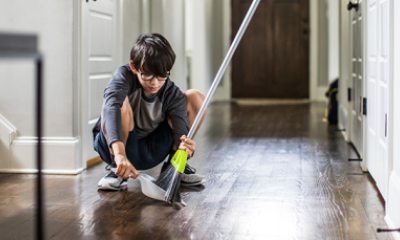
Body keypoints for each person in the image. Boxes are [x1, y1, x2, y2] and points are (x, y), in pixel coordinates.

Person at [94, 33, 205, 191]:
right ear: (134, 67)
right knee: (119, 102)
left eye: (161, 76)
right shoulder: (123, 76)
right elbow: (111, 107)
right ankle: (117, 171)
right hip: (116, 148)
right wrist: (119, 156)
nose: (154, 83)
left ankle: (174, 169)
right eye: (147, 74)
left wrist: (184, 148)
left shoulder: (171, 93)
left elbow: (180, 133)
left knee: (196, 98)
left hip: (150, 150)